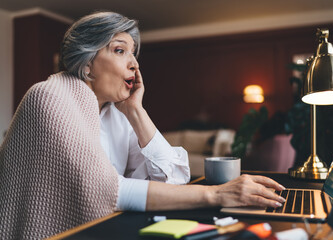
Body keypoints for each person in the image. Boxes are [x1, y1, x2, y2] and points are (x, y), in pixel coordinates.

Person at [0, 11, 286, 239]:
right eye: (120, 50)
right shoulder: (50, 97)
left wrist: (135, 111)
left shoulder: (115, 113)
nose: (134, 64)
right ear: (87, 65)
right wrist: (217, 193)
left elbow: (173, 179)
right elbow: (108, 190)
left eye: (134, 53)